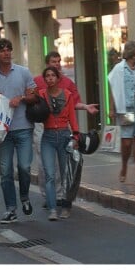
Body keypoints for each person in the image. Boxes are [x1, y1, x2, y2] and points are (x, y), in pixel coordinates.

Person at [34, 51, 99, 209]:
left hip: (62, 126)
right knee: (45, 163)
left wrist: (85, 107)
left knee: (64, 163)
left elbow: (74, 103)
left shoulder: (67, 83)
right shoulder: (37, 82)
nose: (56, 64)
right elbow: (30, 102)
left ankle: (62, 195)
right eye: (53, 61)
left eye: (58, 61)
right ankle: (49, 195)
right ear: (47, 64)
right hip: (42, 125)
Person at [0, 38, 37, 224]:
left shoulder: (23, 72)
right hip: (2, 131)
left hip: (23, 127)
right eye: (2, 50)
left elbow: (35, 95)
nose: (6, 52)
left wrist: (20, 98)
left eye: (9, 49)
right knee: (5, 171)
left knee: (24, 167)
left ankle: (25, 197)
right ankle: (10, 209)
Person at [39, 66, 80, 221]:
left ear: (57, 78)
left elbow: (72, 118)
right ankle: (52, 209)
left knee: (65, 174)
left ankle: (66, 206)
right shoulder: (41, 95)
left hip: (64, 135)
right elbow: (34, 109)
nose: (50, 78)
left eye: (52, 75)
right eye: (47, 76)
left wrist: (76, 136)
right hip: (47, 137)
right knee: (49, 174)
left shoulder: (68, 95)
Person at [109, 41, 135, 185]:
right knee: (126, 143)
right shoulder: (119, 69)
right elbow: (113, 90)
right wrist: (112, 108)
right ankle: (124, 166)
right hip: (126, 110)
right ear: (133, 52)